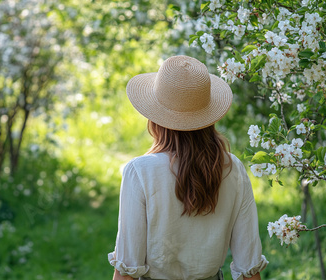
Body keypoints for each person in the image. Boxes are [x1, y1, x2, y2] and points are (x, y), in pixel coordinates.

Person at [108, 55, 268, 280]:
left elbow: (127, 270)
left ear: (155, 119)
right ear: (209, 116)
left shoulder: (140, 172)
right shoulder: (233, 169)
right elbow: (249, 267)